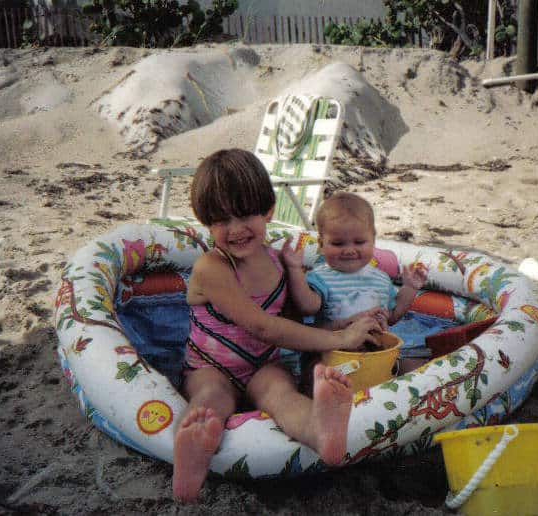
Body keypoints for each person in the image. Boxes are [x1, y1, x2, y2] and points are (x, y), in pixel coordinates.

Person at [173, 149, 383, 502]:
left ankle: (321, 431)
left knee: (282, 395)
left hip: (262, 366)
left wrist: (343, 324)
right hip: (210, 367)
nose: (236, 229)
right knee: (211, 398)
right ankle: (193, 453)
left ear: (268, 210)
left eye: (245, 215)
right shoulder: (213, 267)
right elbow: (265, 328)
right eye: (221, 220)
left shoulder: (276, 262)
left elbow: (291, 326)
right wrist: (340, 337)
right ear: (206, 223)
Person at [281, 192, 427, 366]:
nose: (349, 250)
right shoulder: (320, 277)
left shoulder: (381, 279)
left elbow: (392, 317)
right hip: (330, 357)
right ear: (321, 244)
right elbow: (307, 307)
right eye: (338, 243)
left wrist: (409, 288)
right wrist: (295, 269)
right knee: (312, 369)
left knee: (413, 365)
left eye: (359, 242)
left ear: (373, 240)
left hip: (374, 355)